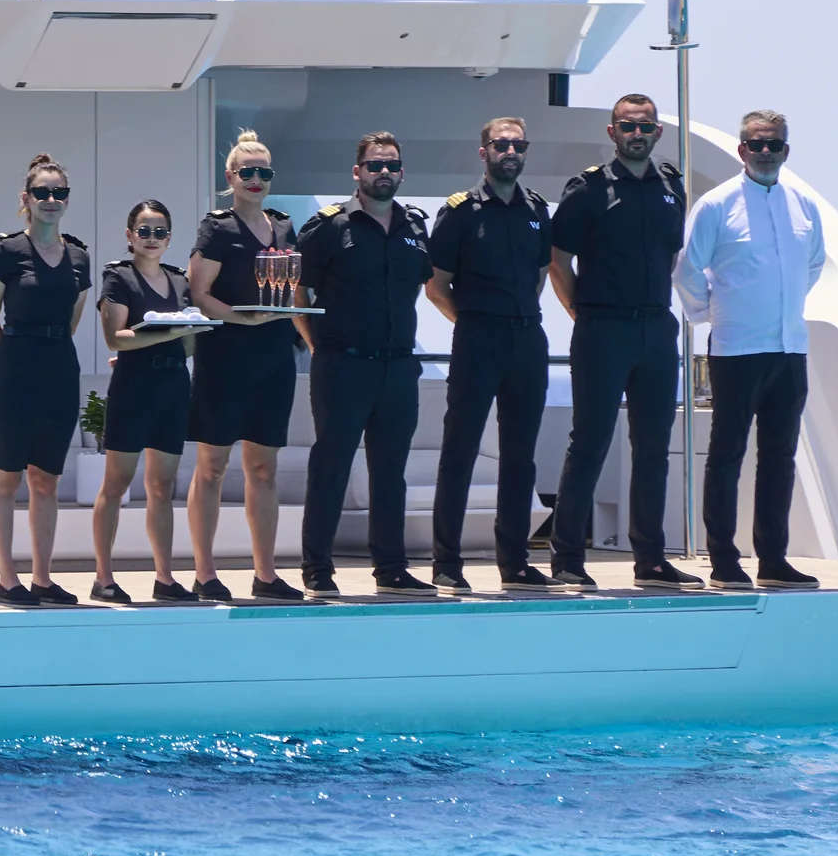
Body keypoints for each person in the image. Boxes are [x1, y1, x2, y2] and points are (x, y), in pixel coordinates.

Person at [546, 95, 703, 589]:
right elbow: (557, 260)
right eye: (628, 127)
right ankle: (568, 558)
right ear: (613, 133)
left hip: (657, 330)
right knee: (589, 443)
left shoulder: (671, 186)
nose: (638, 134)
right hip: (603, 329)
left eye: (647, 127)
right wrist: (582, 315)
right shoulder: (588, 188)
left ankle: (651, 561)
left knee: (654, 448)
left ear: (658, 134)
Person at [675, 109, 827, 589]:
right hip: (736, 349)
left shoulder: (803, 205)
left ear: (786, 150)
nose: (765, 153)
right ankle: (723, 559)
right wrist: (711, 314)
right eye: (756, 145)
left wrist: (783, 310)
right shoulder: (717, 205)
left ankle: (773, 559)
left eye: (774, 145)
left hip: (789, 350)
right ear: (742, 150)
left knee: (779, 458)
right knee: (726, 455)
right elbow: (687, 271)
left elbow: (814, 264)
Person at [296, 131, 433, 596]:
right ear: (357, 172)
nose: (384, 173)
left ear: (402, 172)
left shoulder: (415, 225)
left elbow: (418, 288)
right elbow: (299, 291)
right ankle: (317, 568)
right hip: (343, 365)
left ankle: (391, 568)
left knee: (391, 471)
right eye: (375, 165)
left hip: (397, 367)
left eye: (392, 165)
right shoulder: (330, 226)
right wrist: (317, 346)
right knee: (331, 466)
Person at [421, 116, 555, 592]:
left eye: (518, 144)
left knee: (521, 457)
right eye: (501, 144)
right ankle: (446, 562)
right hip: (478, 337)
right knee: (460, 452)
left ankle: (515, 562)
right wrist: (474, 322)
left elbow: (541, 272)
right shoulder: (460, 211)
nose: (510, 151)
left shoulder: (537, 209)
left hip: (527, 340)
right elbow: (435, 285)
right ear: (484, 153)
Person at [186, 129, 310, 601]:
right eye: (247, 172)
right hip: (226, 355)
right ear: (230, 177)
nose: (256, 180)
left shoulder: (282, 225)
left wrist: (300, 329)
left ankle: (265, 573)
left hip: (273, 357)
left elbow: (294, 292)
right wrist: (244, 318)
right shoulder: (217, 227)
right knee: (212, 465)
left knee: (263, 468)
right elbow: (199, 295)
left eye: (264, 172)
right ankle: (204, 573)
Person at [0, 154, 92, 608]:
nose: (50, 200)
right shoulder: (6, 252)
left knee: (46, 480)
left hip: (60, 366)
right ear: (26, 199)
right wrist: (11, 360)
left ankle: (42, 578)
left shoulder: (78, 255)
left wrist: (47, 354)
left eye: (58, 193)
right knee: (5, 478)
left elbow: (74, 319)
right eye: (42, 192)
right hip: (15, 368)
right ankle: (8, 580)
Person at [90, 200, 211, 604]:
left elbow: (189, 343)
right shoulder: (118, 277)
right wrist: (169, 333)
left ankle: (164, 576)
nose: (153, 239)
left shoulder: (179, 282)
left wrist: (191, 331)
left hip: (174, 384)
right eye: (144, 231)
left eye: (160, 232)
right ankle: (103, 578)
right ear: (130, 236)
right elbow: (115, 337)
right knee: (116, 484)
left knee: (162, 486)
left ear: (170, 238)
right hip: (134, 386)